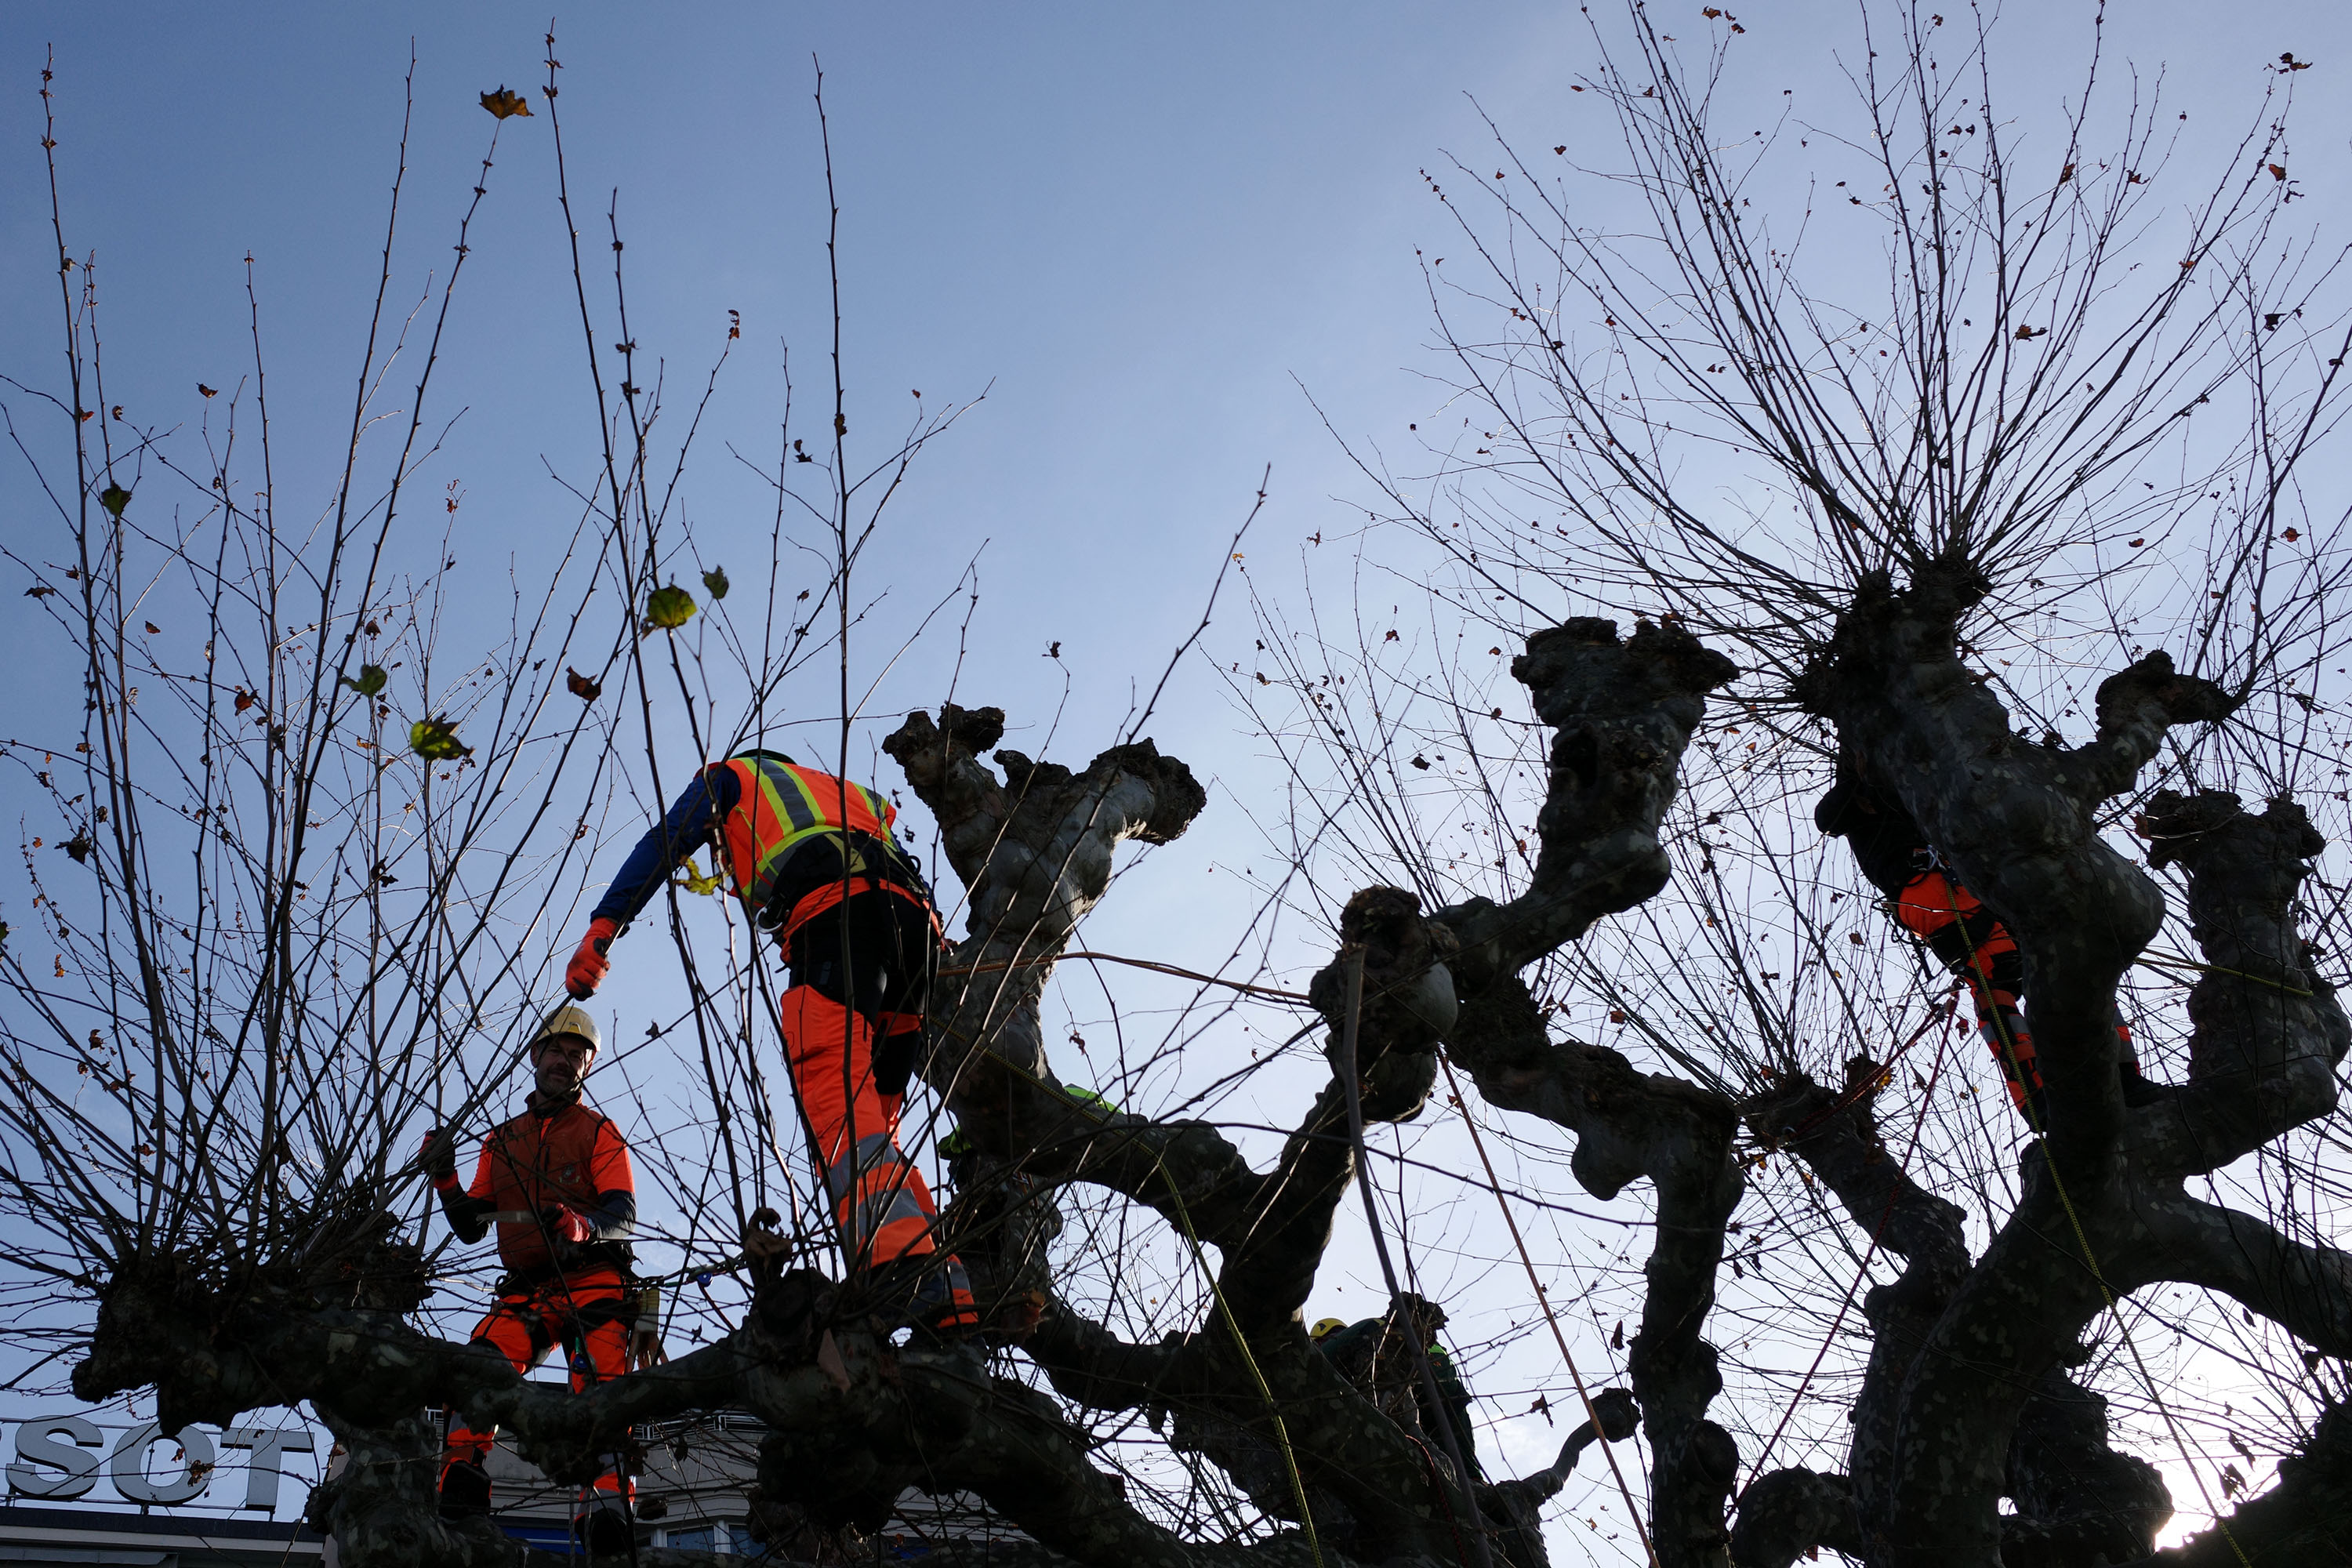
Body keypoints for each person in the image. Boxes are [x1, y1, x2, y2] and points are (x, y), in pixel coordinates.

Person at [563, 749, 976, 1336]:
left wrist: (604, 927)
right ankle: (949, 1294)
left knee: (836, 1099)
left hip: (837, 917)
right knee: (877, 1120)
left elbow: (664, 843)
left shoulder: (733, 777)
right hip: (917, 935)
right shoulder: (848, 791)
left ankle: (906, 1268)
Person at [1815, 763, 2156, 1124]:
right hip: (1929, 889)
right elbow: (1829, 818)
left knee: (2071, 962)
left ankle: (2123, 1077)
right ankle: (2035, 1096)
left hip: (1977, 879)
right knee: (1998, 974)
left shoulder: (1922, 775)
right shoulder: (1864, 782)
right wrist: (1866, 788)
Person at [423, 1006, 639, 1554]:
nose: (564, 1062)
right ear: (534, 1056)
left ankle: (609, 1511)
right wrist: (446, 1177)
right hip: (524, 1289)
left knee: (603, 1390)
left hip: (594, 1280)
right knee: (478, 1370)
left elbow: (623, 1210)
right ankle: (463, 1484)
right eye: (555, 1051)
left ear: (587, 1067)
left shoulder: (599, 1131)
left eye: (576, 1055)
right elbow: (472, 1225)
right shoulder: (502, 1140)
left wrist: (582, 1227)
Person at [1313, 1291, 1483, 1482]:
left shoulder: (1364, 1336)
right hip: (1443, 1398)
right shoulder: (1369, 1331)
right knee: (1458, 1472)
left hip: (1421, 1392)